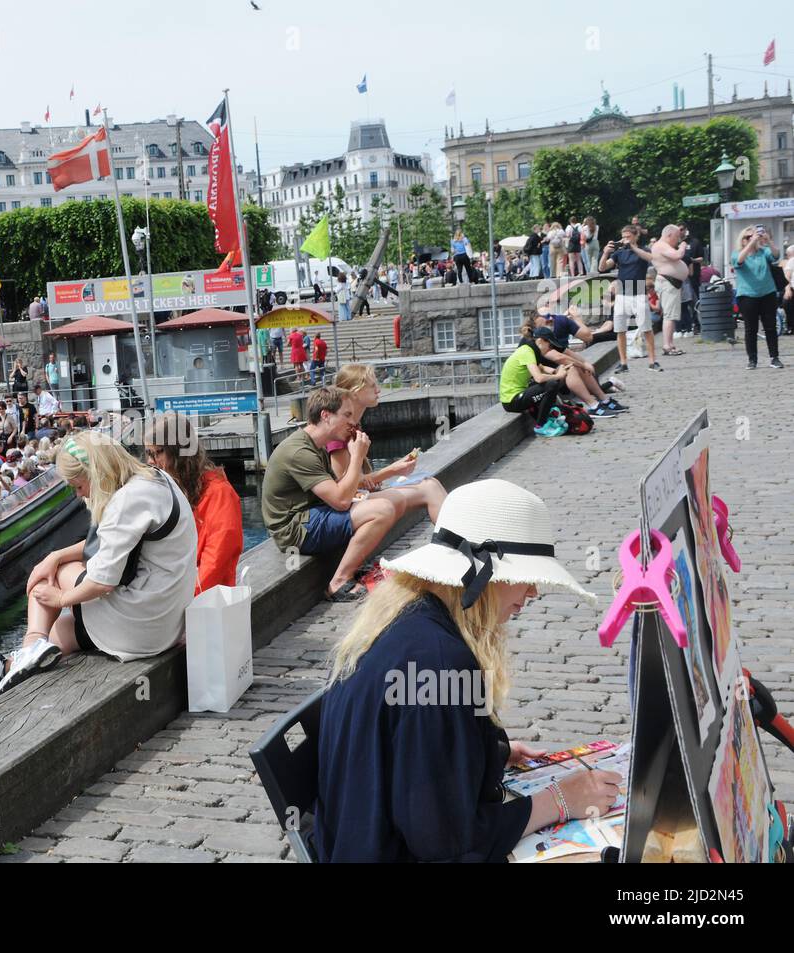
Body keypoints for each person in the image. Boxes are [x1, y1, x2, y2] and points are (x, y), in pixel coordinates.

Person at [315, 479, 618, 862]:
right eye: (528, 578)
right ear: (487, 576)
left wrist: (481, 751)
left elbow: (413, 756)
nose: (533, 593)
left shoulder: (407, 618)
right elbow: (448, 844)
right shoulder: (440, 663)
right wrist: (559, 800)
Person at [0, 431, 197, 697]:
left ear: (94, 472)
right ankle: (10, 668)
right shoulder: (154, 479)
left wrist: (61, 597)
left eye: (78, 486)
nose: (79, 495)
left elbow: (102, 582)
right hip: (164, 622)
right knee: (61, 629)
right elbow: (110, 542)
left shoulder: (127, 501)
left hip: (145, 626)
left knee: (51, 578)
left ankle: (29, 647)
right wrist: (55, 555)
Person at [261, 387, 399, 601]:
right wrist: (356, 457)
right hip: (294, 529)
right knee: (382, 510)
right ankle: (339, 582)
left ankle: (353, 567)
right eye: (346, 415)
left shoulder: (315, 445)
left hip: (311, 514)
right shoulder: (300, 452)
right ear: (326, 415)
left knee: (384, 502)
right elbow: (341, 501)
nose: (353, 422)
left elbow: (338, 488)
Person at [330, 363, 448, 522]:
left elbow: (358, 480)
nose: (378, 390)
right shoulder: (338, 432)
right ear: (354, 393)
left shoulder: (354, 427)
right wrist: (394, 469)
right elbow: (347, 487)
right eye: (372, 386)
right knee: (430, 488)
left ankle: (455, 540)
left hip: (361, 499)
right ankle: (453, 542)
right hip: (350, 508)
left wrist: (393, 470)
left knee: (430, 482)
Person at [143, 413, 243, 594]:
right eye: (148, 453)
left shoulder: (219, 494)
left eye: (157, 452)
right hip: (170, 591)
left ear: (179, 453)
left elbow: (216, 560)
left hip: (202, 600)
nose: (150, 461)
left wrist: (182, 599)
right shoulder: (167, 488)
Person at [598, 225, 660, 372]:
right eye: (623, 236)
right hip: (622, 294)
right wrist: (605, 253)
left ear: (635, 236)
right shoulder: (619, 253)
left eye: (628, 236)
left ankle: (652, 361)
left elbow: (650, 258)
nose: (625, 239)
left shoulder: (643, 250)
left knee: (646, 328)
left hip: (638, 292)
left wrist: (632, 247)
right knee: (620, 330)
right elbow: (602, 268)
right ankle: (624, 363)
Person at [499, 327, 573, 436]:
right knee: (552, 384)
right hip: (512, 400)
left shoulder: (529, 349)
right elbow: (539, 378)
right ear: (540, 341)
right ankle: (541, 426)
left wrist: (555, 371)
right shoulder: (527, 352)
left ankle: (548, 418)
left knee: (549, 384)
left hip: (516, 395)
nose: (550, 348)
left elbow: (541, 367)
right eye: (550, 345)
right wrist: (559, 375)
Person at [732, 225, 783, 369]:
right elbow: (739, 261)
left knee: (770, 327)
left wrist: (769, 241)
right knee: (751, 329)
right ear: (742, 240)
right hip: (747, 295)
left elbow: (776, 255)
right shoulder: (737, 253)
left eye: (753, 236)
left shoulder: (763, 252)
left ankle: (774, 357)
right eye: (748, 237)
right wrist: (750, 244)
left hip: (767, 293)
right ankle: (752, 359)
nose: (752, 239)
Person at [651, 224, 689, 356]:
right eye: (677, 237)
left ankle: (670, 344)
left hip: (671, 283)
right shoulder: (660, 246)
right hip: (667, 283)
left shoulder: (663, 246)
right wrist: (683, 246)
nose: (678, 240)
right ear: (669, 235)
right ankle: (667, 345)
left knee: (672, 315)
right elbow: (677, 255)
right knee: (669, 315)